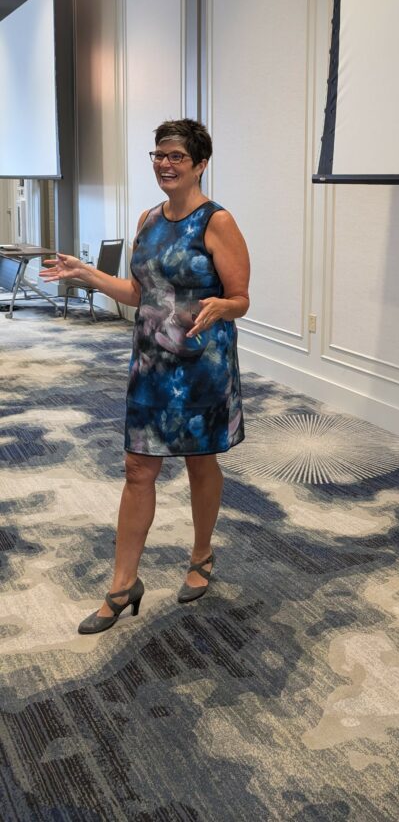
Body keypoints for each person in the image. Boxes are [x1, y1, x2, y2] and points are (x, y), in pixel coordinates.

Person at [40, 118, 250, 634]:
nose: (165, 164)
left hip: (200, 364)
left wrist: (222, 306)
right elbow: (139, 294)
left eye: (177, 156)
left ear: (200, 165)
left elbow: (241, 299)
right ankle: (122, 584)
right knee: (137, 468)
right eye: (159, 155)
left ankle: (201, 555)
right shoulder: (148, 219)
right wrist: (87, 273)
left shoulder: (217, 222)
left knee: (200, 462)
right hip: (152, 364)